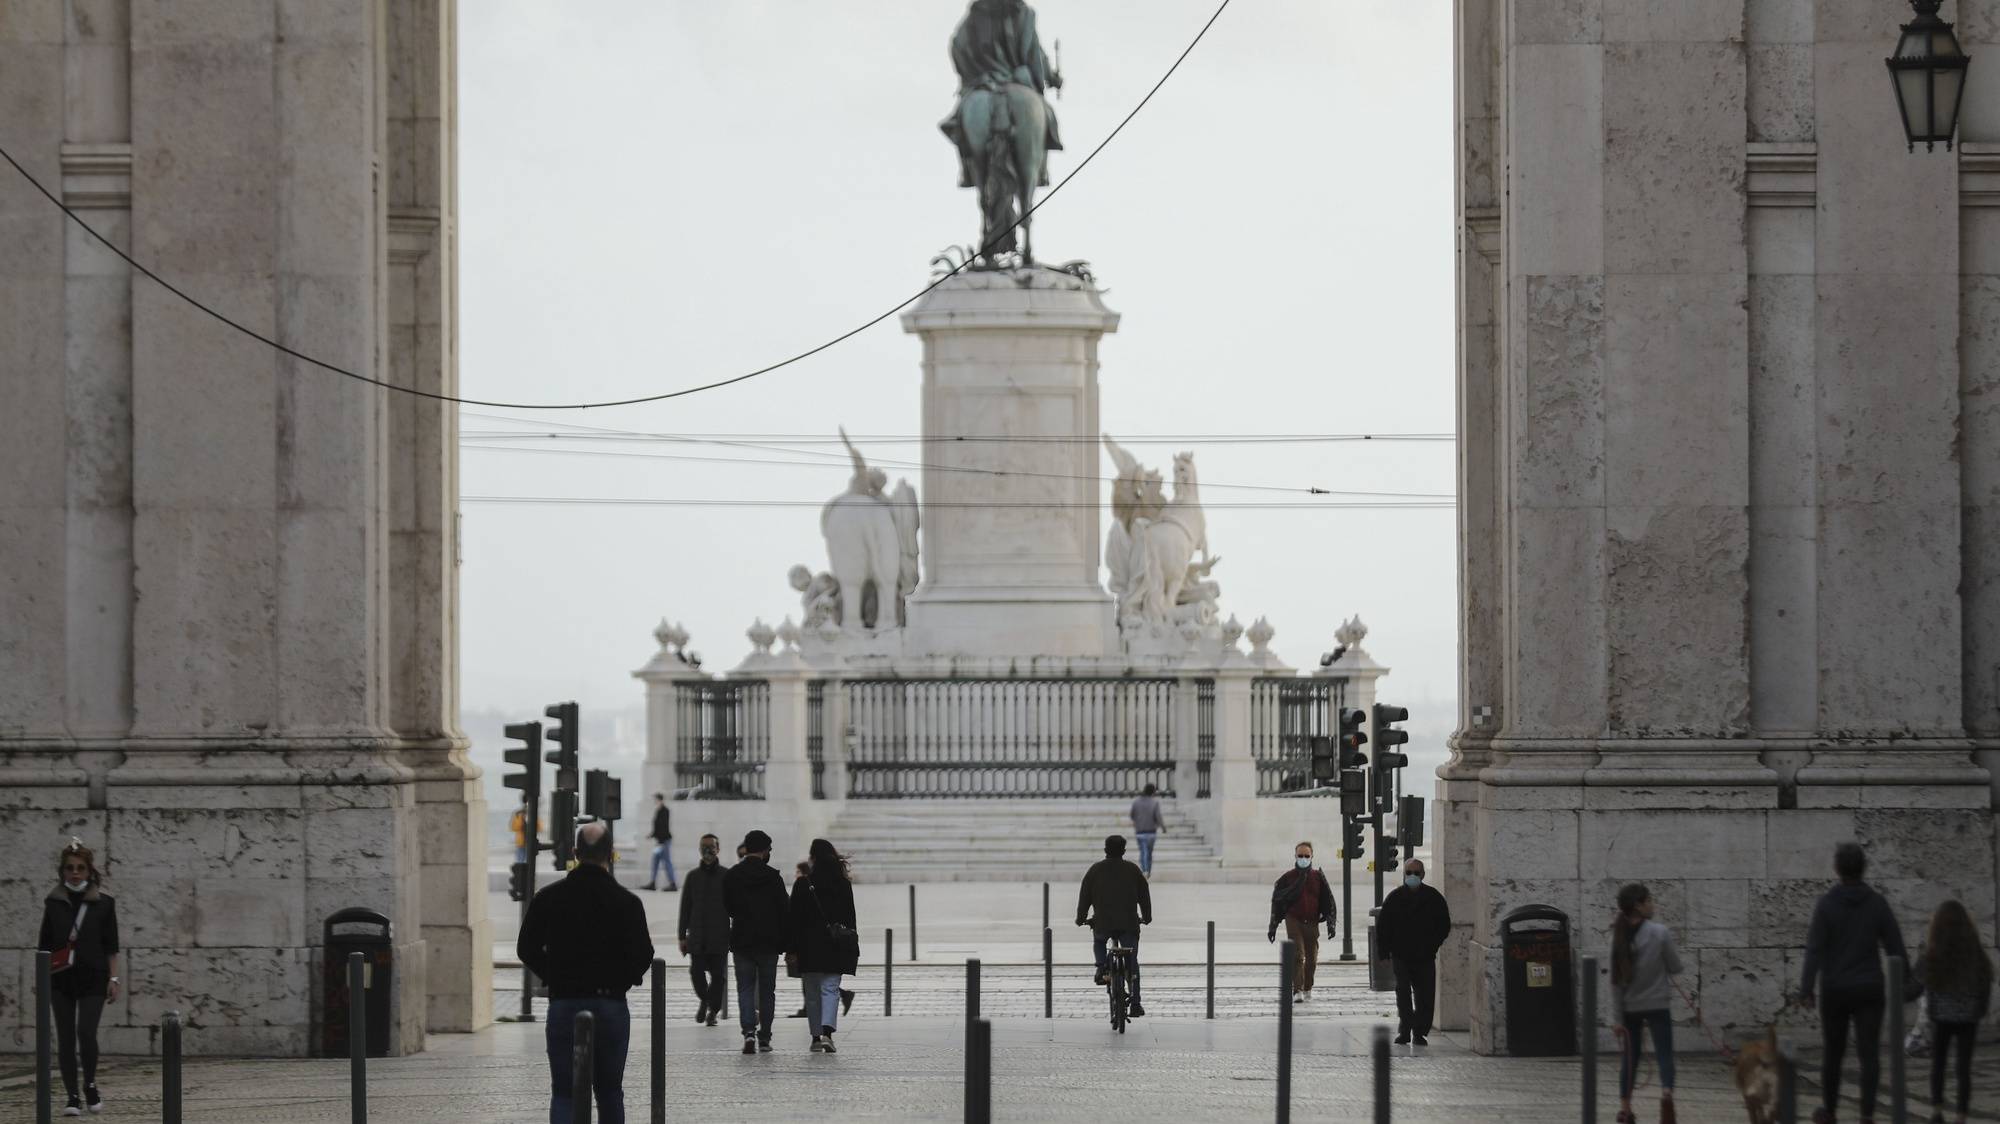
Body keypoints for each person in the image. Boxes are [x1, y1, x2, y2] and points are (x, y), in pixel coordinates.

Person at [516, 821, 655, 1124]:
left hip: (565, 1001)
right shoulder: (628, 902)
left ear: (576, 852)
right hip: (610, 1003)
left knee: (564, 1092)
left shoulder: (549, 898)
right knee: (609, 1092)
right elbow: (644, 955)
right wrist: (622, 980)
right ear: (611, 854)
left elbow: (526, 948)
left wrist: (553, 975)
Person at [1800, 841, 1909, 1124]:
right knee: (1869, 1053)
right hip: (1869, 986)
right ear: (1863, 868)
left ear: (1837, 869)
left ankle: (1830, 1111)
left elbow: (1815, 948)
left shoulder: (1826, 904)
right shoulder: (1877, 903)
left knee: (1833, 1053)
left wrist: (1806, 987)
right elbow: (1895, 944)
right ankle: (1867, 1114)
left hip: (1835, 987)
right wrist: (1906, 981)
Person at [36, 839, 120, 1118]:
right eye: (70, 868)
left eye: (80, 868)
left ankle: (91, 1085)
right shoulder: (54, 902)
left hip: (94, 976)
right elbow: (44, 944)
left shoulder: (104, 904)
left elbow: (111, 945)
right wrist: (42, 979)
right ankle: (72, 1095)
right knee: (65, 1037)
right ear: (63, 871)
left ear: (89, 871)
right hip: (61, 977)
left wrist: (114, 978)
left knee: (86, 1032)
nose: (75, 873)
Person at [1610, 883, 1683, 1124]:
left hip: (1630, 1007)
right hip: (1658, 1004)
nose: (1653, 904)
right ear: (1639, 906)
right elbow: (1675, 966)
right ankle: (1667, 1095)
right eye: (1649, 900)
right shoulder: (1659, 932)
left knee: (1630, 1059)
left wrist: (1618, 1020)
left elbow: (1616, 982)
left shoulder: (1619, 936)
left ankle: (1626, 1110)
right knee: (1664, 1054)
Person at [1916, 899, 1991, 1124]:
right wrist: (1980, 1009)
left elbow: (1927, 984)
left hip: (1942, 1016)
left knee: (1938, 1064)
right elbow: (1985, 980)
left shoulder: (1935, 951)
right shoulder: (1974, 950)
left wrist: (1931, 1010)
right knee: (1963, 1067)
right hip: (1968, 1016)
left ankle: (1937, 1111)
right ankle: (1961, 1115)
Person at [789, 839, 860, 1053]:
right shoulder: (843, 883)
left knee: (812, 992)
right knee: (830, 989)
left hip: (809, 946)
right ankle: (828, 1033)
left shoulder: (803, 883)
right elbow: (851, 917)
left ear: (813, 858)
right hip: (835, 944)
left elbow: (794, 919)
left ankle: (815, 1038)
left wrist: (791, 949)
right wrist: (852, 943)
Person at [723, 829, 790, 1054]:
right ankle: (765, 1037)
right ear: (763, 850)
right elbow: (784, 911)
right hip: (768, 943)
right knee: (767, 991)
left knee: (745, 988)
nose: (770, 853)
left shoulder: (732, 875)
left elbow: (728, 907)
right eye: (769, 849)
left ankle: (749, 1032)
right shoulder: (773, 877)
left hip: (742, 940)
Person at [1377, 857, 1451, 1045]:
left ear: (1423, 875)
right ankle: (1405, 1029)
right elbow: (1384, 927)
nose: (1412, 876)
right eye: (1409, 872)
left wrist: (1432, 945)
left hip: (1425, 955)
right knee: (1403, 992)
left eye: (1416, 873)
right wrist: (1384, 953)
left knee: (1425, 995)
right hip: (1401, 955)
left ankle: (1420, 1032)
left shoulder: (1433, 898)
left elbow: (1444, 925)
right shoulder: (1394, 898)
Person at [1076, 834, 1152, 1017]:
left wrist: (1081, 918)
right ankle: (1135, 1003)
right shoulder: (1133, 870)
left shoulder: (1095, 870)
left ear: (1105, 850)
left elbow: (1084, 895)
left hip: (1103, 922)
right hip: (1129, 924)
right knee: (1132, 964)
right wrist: (1147, 917)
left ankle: (1102, 967)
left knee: (1099, 940)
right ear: (1124, 851)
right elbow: (1144, 895)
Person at [1268, 841, 1336, 1004]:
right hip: (1294, 920)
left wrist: (1330, 922)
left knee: (1311, 959)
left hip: (1312, 921)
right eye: (1300, 856)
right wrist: (1273, 926)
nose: (1303, 858)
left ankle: (1307, 988)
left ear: (1312, 856)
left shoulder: (1318, 877)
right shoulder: (1288, 877)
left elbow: (1328, 900)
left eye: (1306, 856)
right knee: (1298, 955)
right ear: (1295, 856)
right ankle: (1297, 989)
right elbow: (1277, 900)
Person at [676, 833, 730, 1027]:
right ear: (699, 850)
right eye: (704, 847)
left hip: (719, 935)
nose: (707, 850)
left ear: (718, 849)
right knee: (696, 973)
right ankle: (705, 1000)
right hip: (697, 936)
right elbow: (685, 908)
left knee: (718, 977)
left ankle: (712, 1011)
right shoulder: (693, 877)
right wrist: (682, 936)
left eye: (711, 847)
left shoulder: (726, 875)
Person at [1129, 784, 1166, 877]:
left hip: (1140, 832)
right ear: (1153, 792)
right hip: (1151, 832)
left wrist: (1137, 822)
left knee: (1142, 851)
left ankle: (1144, 870)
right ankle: (1148, 871)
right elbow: (1158, 817)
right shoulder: (1154, 803)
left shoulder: (1136, 802)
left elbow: (1132, 815)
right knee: (1149, 852)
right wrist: (1163, 827)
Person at [644, 793, 676, 892]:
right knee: (655, 861)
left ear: (660, 800)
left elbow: (663, 827)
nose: (655, 801)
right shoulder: (658, 811)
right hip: (659, 841)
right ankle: (652, 883)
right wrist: (651, 835)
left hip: (664, 842)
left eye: (656, 799)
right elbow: (657, 827)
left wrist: (660, 840)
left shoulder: (665, 811)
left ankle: (673, 884)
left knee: (667, 862)